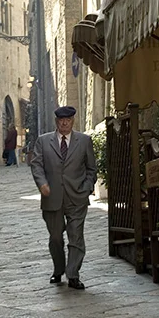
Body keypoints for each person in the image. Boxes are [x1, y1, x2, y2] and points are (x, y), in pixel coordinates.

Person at [30, 106, 96, 290]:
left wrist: (88, 187)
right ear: (56, 121)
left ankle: (73, 274)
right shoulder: (43, 142)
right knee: (56, 238)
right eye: (61, 120)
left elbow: (91, 168)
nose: (64, 123)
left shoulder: (84, 141)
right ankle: (58, 270)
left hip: (77, 197)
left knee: (76, 236)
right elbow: (36, 165)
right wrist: (42, 183)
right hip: (52, 197)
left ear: (73, 120)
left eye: (68, 120)